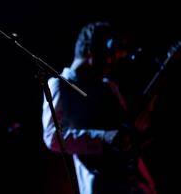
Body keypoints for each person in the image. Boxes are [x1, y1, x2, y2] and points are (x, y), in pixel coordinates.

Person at [41, 22, 157, 194]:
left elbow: (128, 133)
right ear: (90, 51)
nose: (112, 61)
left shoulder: (108, 86)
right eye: (109, 55)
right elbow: (52, 137)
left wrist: (142, 122)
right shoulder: (60, 85)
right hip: (101, 187)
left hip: (136, 184)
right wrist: (104, 137)